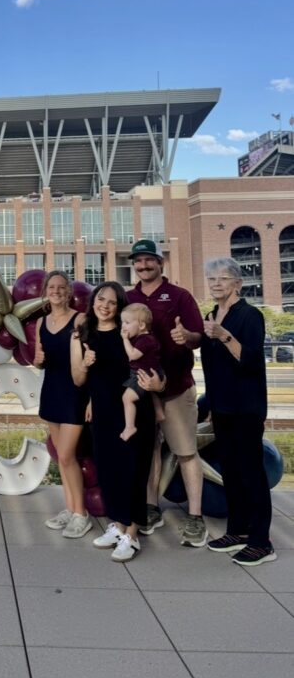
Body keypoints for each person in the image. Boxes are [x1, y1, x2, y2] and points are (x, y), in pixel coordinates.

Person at [126, 239, 207, 547]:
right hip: (141, 391)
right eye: (138, 261)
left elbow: (198, 337)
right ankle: (151, 508)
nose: (143, 265)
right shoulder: (128, 298)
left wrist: (186, 336)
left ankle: (195, 517)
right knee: (148, 452)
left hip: (175, 389)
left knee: (186, 452)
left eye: (149, 260)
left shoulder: (179, 296)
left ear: (160, 263)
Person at [70, 281, 156, 562]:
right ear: (93, 300)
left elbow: (152, 366)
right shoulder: (83, 334)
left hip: (133, 411)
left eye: (112, 302)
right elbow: (78, 380)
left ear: (119, 307)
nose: (104, 306)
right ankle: (118, 526)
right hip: (103, 412)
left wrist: (157, 384)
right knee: (108, 470)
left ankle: (132, 534)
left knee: (133, 471)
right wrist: (86, 363)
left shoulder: (128, 332)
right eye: (101, 299)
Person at [200, 258, 276, 566]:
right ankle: (238, 531)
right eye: (212, 279)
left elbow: (252, 361)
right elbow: (211, 365)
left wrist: (224, 336)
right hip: (221, 407)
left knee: (251, 473)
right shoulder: (211, 315)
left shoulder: (250, 315)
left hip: (246, 407)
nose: (216, 283)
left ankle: (261, 542)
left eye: (223, 278)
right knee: (230, 471)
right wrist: (210, 404)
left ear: (237, 284)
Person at [34, 270, 91, 538]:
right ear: (45, 292)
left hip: (74, 393)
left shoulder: (80, 319)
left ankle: (81, 514)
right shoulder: (41, 322)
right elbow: (40, 359)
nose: (56, 291)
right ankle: (70, 508)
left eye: (61, 287)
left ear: (69, 292)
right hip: (51, 391)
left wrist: (92, 399)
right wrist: (37, 361)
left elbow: (91, 361)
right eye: (52, 287)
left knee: (68, 455)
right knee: (60, 457)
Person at [120, 302, 164, 441]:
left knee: (127, 398)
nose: (123, 326)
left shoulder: (145, 340)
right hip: (150, 371)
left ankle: (130, 427)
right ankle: (159, 412)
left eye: (127, 323)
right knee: (150, 393)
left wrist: (125, 340)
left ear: (141, 325)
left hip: (143, 374)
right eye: (122, 322)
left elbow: (133, 355)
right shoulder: (146, 338)